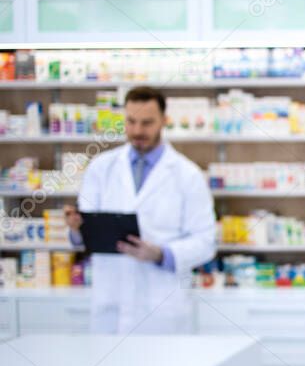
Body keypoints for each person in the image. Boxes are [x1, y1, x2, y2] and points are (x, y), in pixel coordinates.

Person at [64, 86, 215, 334]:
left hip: (162, 308)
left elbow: (206, 242)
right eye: (131, 121)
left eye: (147, 123)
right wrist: (77, 229)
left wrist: (161, 254)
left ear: (164, 121)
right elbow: (83, 237)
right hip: (111, 303)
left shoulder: (188, 175)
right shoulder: (101, 168)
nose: (137, 131)